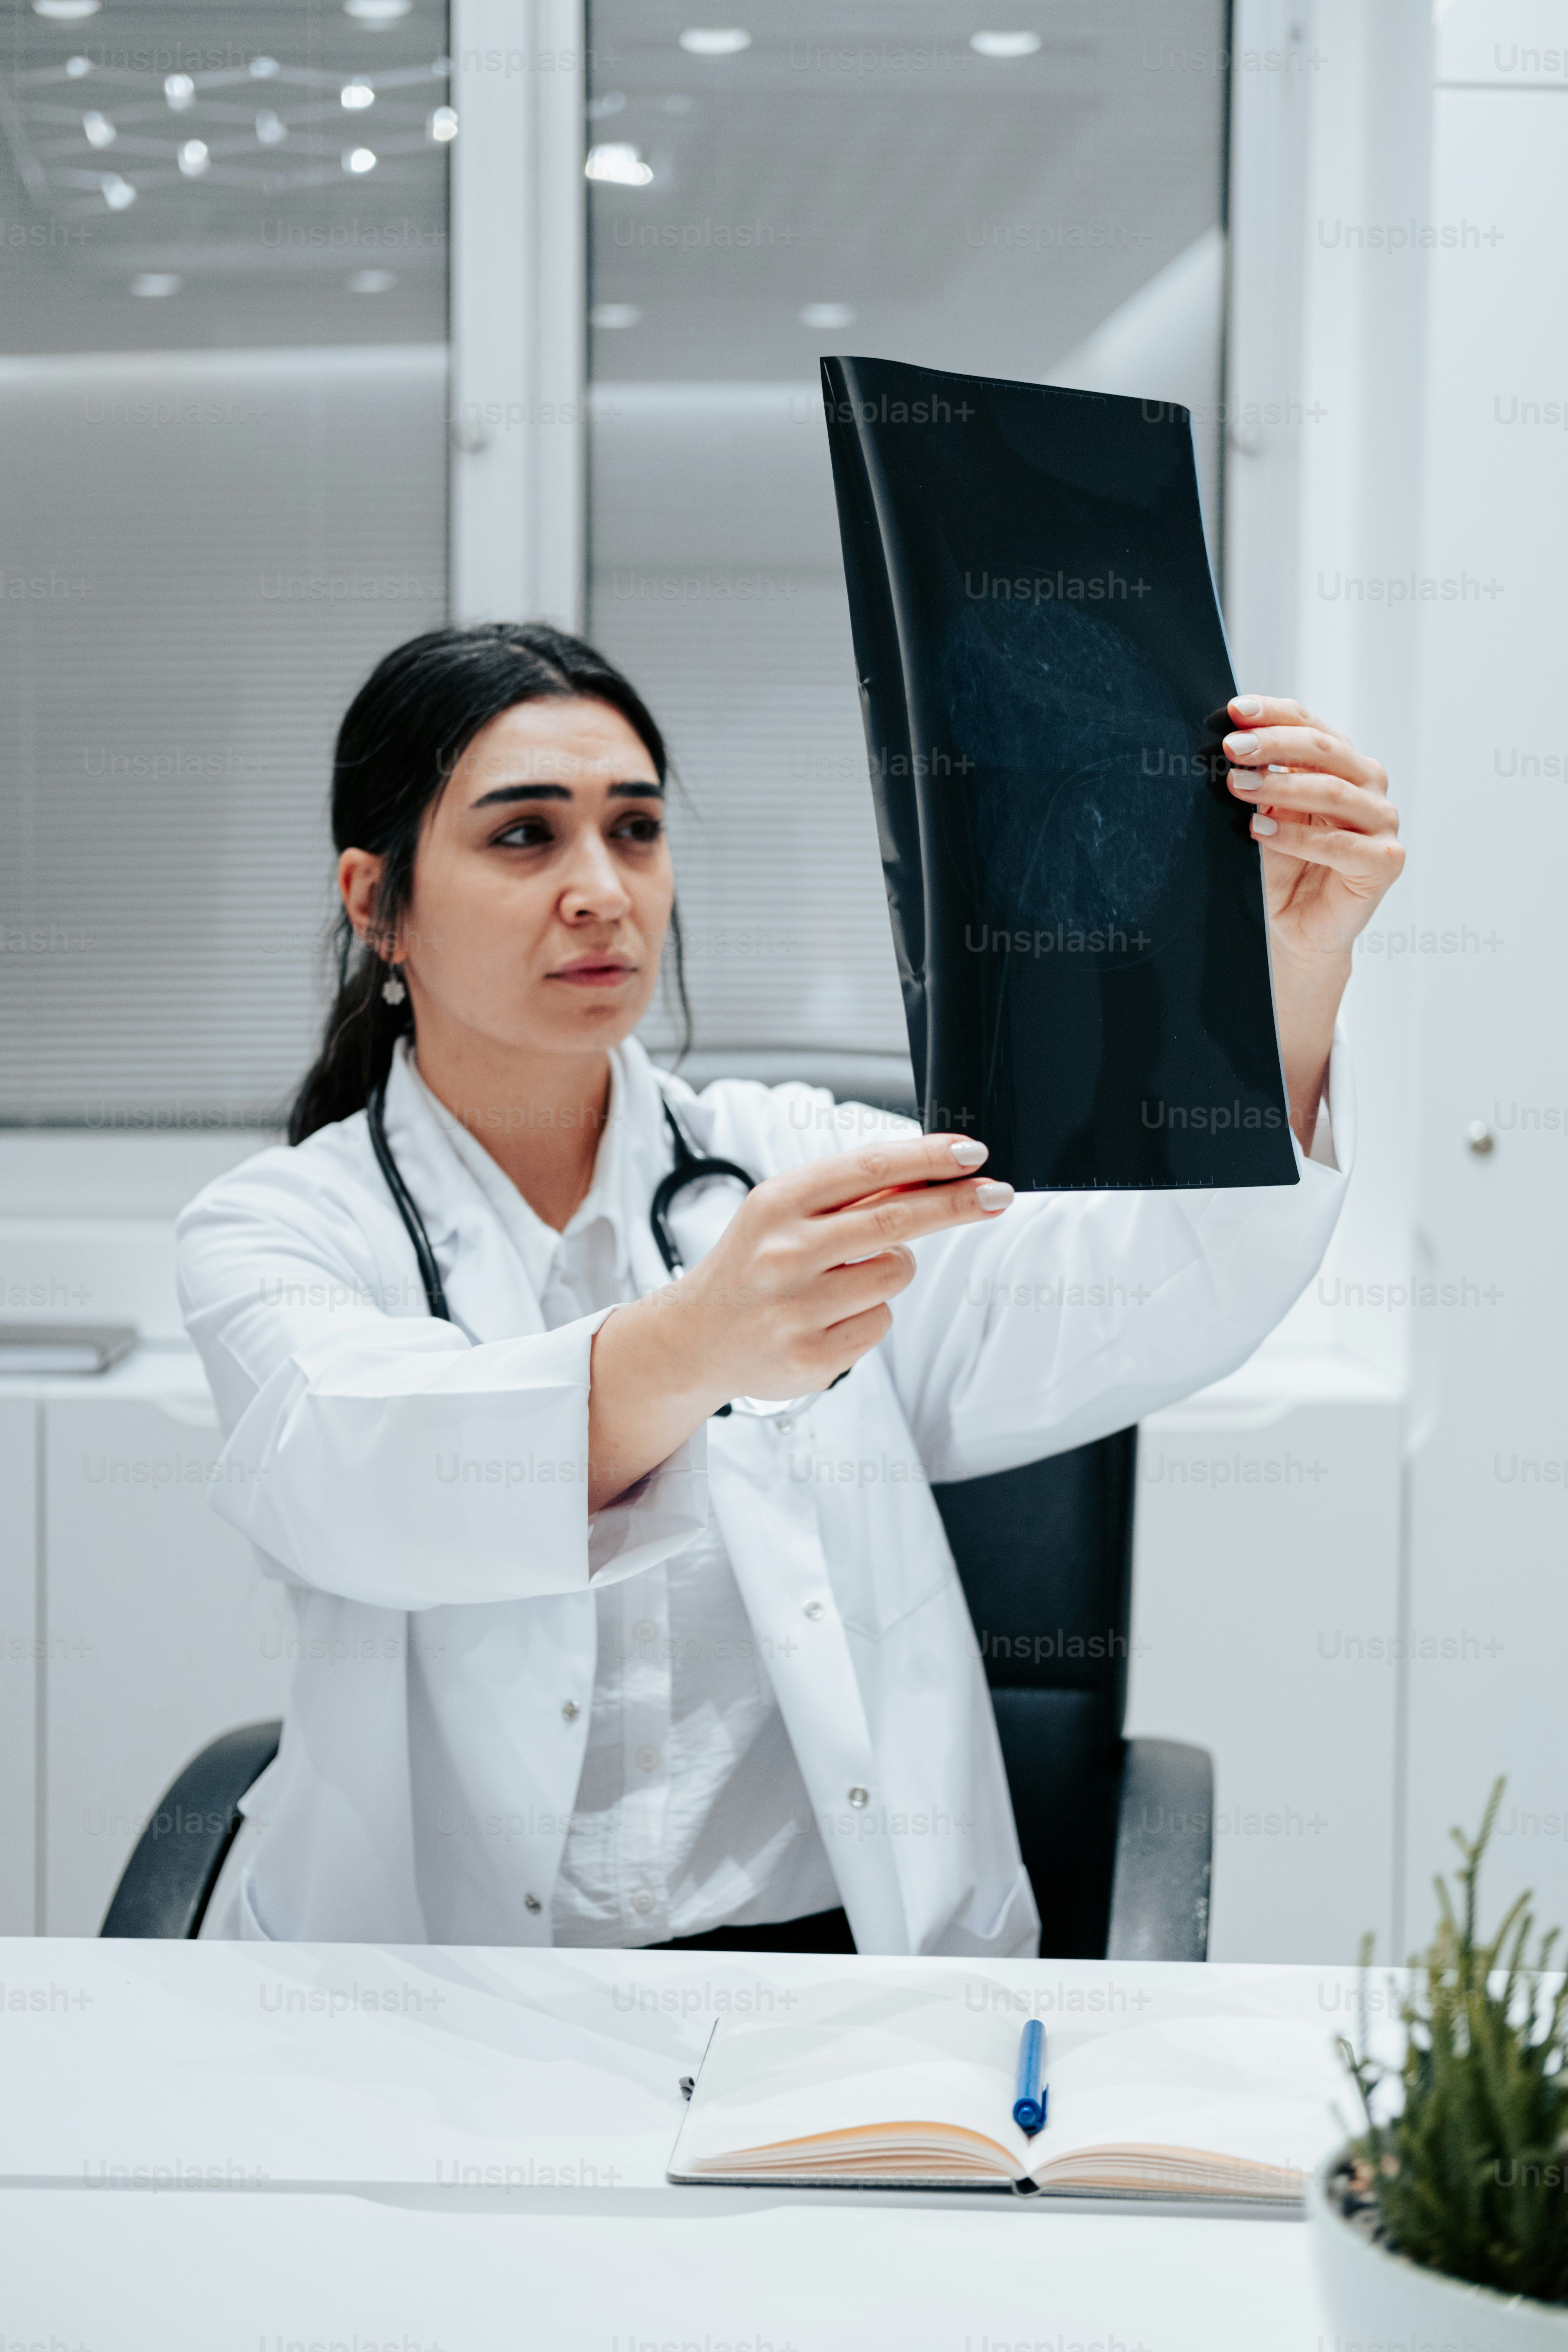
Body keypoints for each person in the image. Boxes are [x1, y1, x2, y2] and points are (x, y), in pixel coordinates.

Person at [178, 623, 1404, 1954]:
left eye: (634, 830)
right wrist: (698, 1343)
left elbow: (1136, 1289)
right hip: (438, 1990)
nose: (601, 889)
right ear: (375, 904)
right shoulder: (282, 1228)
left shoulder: (791, 1163)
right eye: (524, 837)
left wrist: (1294, 967)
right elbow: (359, 1475)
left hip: (825, 1983)